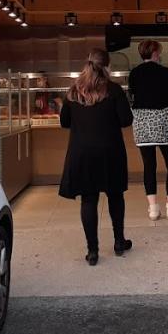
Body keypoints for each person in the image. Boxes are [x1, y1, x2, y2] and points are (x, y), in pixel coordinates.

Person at [58, 48, 134, 266]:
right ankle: (119, 241)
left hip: (82, 152)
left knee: (88, 200)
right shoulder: (114, 89)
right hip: (110, 151)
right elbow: (126, 120)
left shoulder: (74, 91)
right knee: (115, 195)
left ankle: (92, 251)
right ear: (107, 66)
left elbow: (64, 122)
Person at [129, 39, 168, 221]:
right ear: (155, 52)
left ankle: (153, 208)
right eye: (159, 51)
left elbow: (132, 94)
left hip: (141, 122)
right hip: (162, 121)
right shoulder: (165, 73)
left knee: (149, 165)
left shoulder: (134, 73)